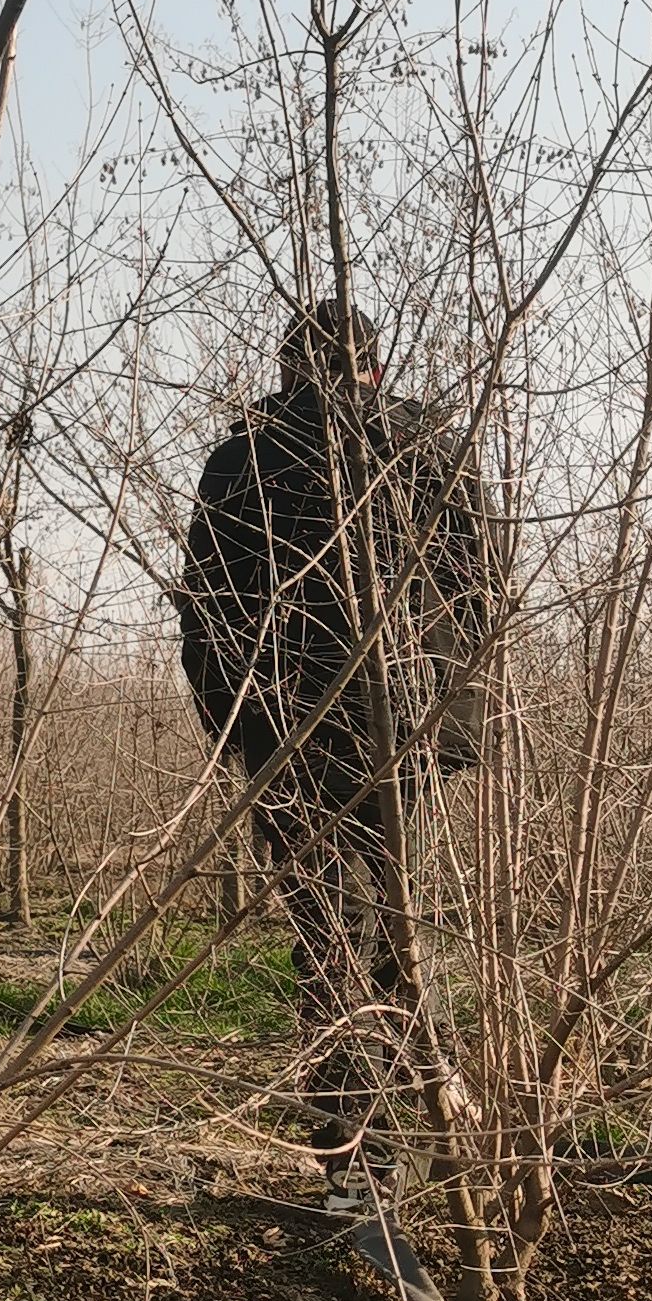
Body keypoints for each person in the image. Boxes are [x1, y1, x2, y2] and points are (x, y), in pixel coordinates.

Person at [176, 303, 495, 1200]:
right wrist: (449, 716)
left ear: (287, 369)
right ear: (377, 368)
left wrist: (233, 733)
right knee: (395, 921)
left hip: (287, 727)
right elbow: (480, 593)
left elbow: (203, 607)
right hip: (411, 726)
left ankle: (352, 1158)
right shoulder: (434, 445)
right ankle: (406, 1135)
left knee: (327, 937)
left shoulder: (244, 456)